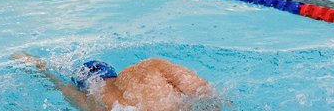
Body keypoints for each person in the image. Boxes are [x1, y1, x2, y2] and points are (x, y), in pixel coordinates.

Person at [14, 53, 216, 111]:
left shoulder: (96, 100)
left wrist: (37, 65)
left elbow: (58, 84)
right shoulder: (148, 67)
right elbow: (204, 90)